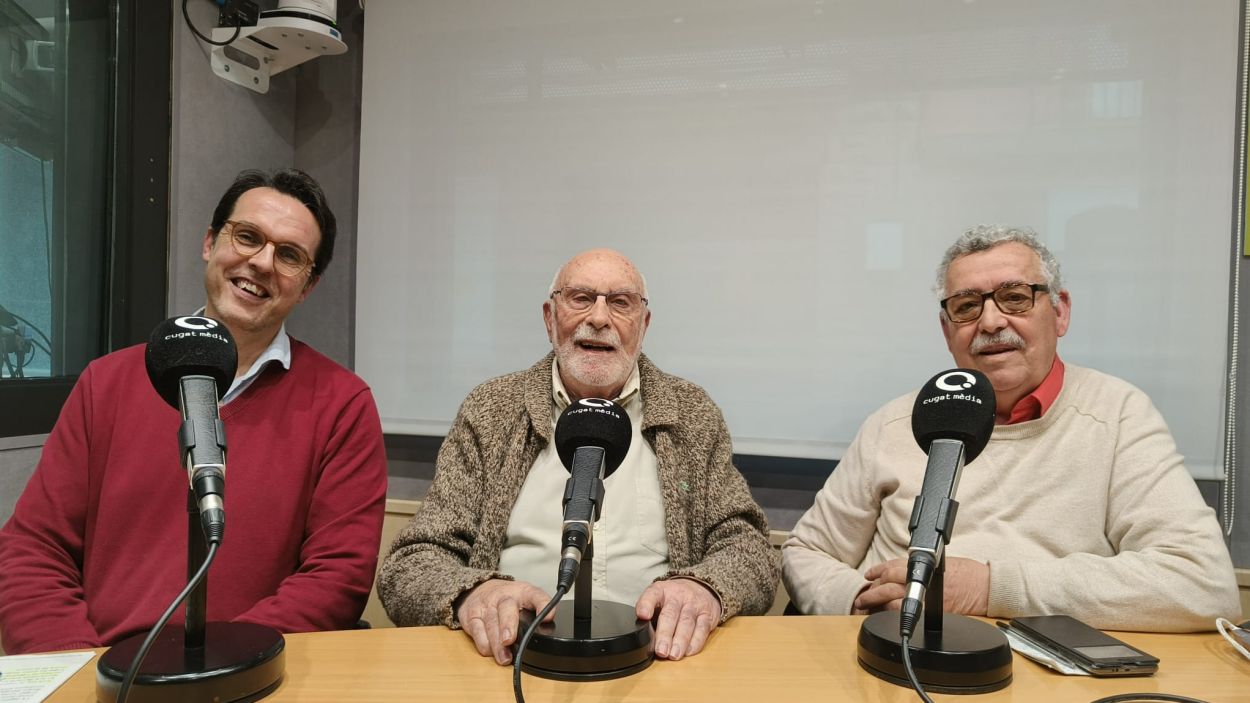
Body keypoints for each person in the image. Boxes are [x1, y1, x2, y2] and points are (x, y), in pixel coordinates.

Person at [0, 169, 388, 654]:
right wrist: (78, 670)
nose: (262, 262)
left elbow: (337, 578)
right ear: (210, 242)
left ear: (306, 286)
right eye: (247, 237)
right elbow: (34, 551)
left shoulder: (342, 405)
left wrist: (215, 667)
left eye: (289, 255)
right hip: (101, 671)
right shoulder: (107, 382)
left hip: (245, 675)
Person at [781, 225, 1240, 632]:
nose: (992, 321)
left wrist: (990, 588)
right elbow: (806, 552)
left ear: (1059, 312)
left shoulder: (1117, 414)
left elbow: (1201, 582)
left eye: (1015, 297)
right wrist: (860, 604)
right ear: (947, 330)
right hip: (893, 659)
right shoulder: (895, 423)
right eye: (966, 306)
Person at [377, 248, 777, 665]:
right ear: (550, 318)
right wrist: (472, 594)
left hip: (659, 663)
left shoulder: (692, 412)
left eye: (620, 303)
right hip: (508, 663)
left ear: (644, 324)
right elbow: (411, 562)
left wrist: (706, 588)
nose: (600, 319)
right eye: (581, 298)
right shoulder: (490, 410)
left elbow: (749, 548)